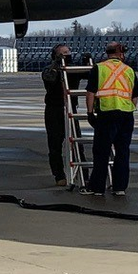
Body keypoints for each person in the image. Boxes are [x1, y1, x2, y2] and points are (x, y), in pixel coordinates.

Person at [87, 41, 138, 197]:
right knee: (122, 152)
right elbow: (135, 96)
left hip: (106, 113)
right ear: (121, 53)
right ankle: (119, 187)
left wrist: (90, 113)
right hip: (126, 114)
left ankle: (97, 188)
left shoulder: (99, 68)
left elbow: (90, 93)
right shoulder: (129, 70)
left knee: (101, 152)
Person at [41, 43, 89, 184]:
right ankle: (59, 176)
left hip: (70, 108)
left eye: (68, 52)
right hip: (54, 109)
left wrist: (87, 62)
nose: (67, 55)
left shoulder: (73, 69)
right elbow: (48, 78)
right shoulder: (49, 69)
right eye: (63, 53)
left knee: (77, 143)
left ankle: (83, 174)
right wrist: (57, 64)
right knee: (55, 144)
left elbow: (89, 75)